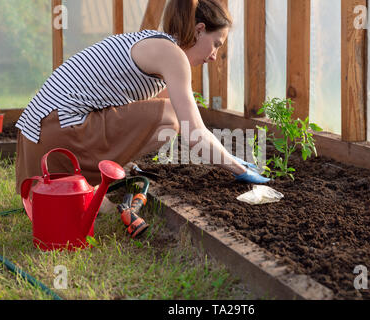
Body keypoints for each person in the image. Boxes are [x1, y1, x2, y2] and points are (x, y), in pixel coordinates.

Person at [15, 0, 269, 201]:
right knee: (168, 118)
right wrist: (238, 168)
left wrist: (227, 157)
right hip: (58, 132)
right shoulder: (171, 55)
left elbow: (157, 118)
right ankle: (100, 179)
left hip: (38, 133)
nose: (214, 56)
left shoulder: (156, 45)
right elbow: (194, 133)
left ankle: (98, 179)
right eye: (216, 44)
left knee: (165, 116)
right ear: (200, 29)